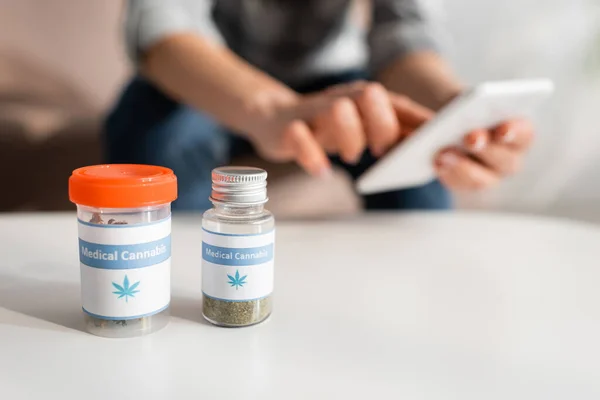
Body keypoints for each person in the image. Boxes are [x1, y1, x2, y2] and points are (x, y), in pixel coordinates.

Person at [105, 0, 534, 211]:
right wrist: (273, 110)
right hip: (199, 75)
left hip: (334, 79)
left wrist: (453, 111)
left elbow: (406, 30)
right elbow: (162, 23)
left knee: (417, 173)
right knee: (163, 139)